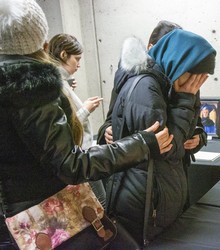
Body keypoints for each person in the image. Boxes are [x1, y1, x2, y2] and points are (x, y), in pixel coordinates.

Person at [0, 0, 173, 248]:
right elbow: (70, 165)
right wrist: (141, 144)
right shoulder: (30, 89)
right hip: (44, 219)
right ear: (41, 39)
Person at [105, 28, 216, 245]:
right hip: (146, 200)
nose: (195, 83)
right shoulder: (147, 87)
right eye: (193, 76)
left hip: (159, 193)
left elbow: (192, 128)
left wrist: (197, 136)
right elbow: (166, 148)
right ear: (179, 63)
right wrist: (185, 101)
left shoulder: (168, 83)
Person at [97, 20, 207, 209]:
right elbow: (113, 118)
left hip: (172, 178)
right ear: (151, 47)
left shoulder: (184, 79)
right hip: (145, 184)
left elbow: (196, 123)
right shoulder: (139, 82)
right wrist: (106, 130)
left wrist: (199, 137)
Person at [47, 33, 107, 208]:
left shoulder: (61, 82)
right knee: (101, 205)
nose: (79, 64)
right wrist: (85, 109)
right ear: (64, 55)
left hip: (79, 156)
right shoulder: (56, 84)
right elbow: (65, 127)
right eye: (77, 59)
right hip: (79, 158)